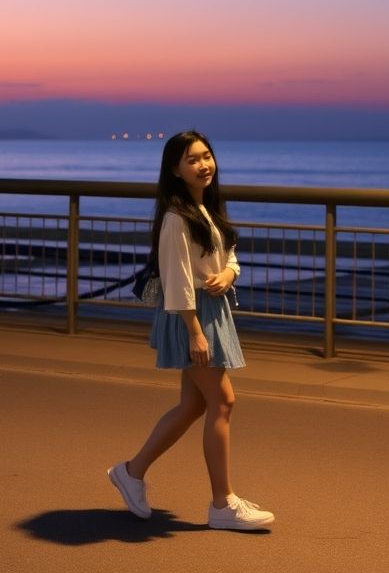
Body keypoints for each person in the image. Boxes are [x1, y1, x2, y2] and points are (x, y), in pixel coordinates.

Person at [107, 131, 275, 531]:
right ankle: (223, 503)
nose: (204, 165)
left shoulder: (205, 210)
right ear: (175, 170)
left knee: (194, 405)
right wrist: (194, 332)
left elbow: (229, 252)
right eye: (193, 160)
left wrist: (229, 272)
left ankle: (131, 471)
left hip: (209, 311)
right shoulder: (175, 218)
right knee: (223, 402)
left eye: (207, 156)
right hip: (191, 316)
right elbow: (178, 279)